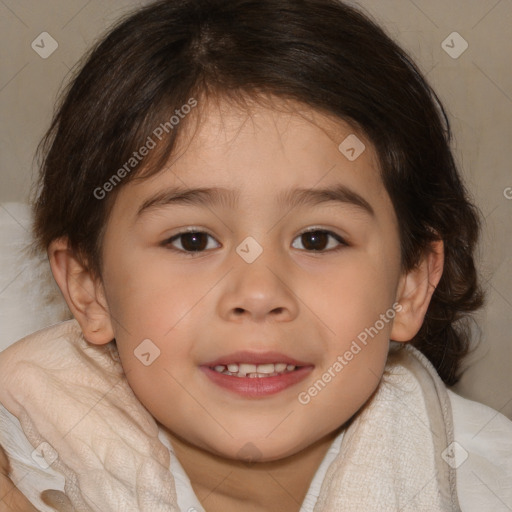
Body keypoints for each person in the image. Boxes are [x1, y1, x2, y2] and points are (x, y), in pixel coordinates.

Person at [1, 0, 511, 510]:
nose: (260, 294)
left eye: (317, 239)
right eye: (192, 241)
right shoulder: (21, 465)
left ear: (410, 284)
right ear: (89, 288)